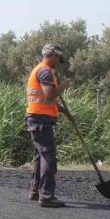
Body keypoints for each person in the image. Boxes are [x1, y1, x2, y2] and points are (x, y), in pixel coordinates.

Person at [26, 43, 71, 208]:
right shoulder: (44, 71)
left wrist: (66, 113)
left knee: (40, 156)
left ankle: (36, 190)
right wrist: (62, 87)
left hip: (37, 118)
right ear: (52, 55)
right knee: (48, 157)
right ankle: (46, 196)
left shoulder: (43, 70)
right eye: (58, 58)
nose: (59, 61)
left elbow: (48, 101)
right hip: (40, 120)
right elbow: (50, 95)